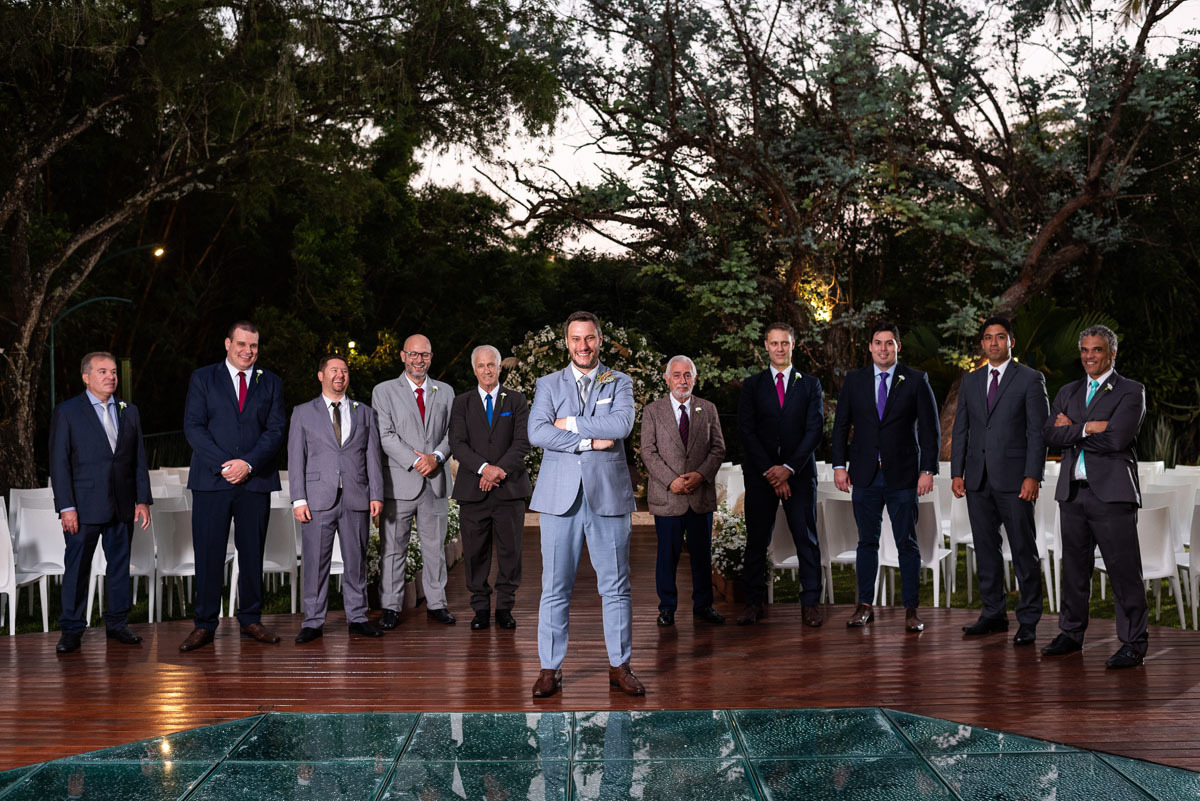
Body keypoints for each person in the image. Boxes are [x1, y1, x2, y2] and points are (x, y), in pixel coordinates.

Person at [528, 311, 642, 697]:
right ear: (566, 342)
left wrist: (570, 424)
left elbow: (621, 425)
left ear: (600, 339)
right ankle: (549, 669)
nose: (583, 346)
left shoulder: (620, 381)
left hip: (607, 496)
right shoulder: (547, 383)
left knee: (615, 587)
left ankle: (619, 666)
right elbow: (537, 431)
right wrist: (590, 439)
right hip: (559, 499)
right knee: (554, 588)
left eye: (590, 338)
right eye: (576, 339)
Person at [1042, 324, 1148, 669]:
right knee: (1073, 569)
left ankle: (1134, 642)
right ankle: (1071, 634)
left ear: (1112, 353)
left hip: (1112, 495)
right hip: (1073, 494)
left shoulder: (1131, 391)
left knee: (1123, 571)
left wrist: (1072, 428)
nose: (1089, 356)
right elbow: (1049, 434)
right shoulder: (1069, 390)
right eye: (1085, 350)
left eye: (1097, 350)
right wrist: (1091, 426)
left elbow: (1117, 440)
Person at [180, 321, 286, 651]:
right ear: (227, 343)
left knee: (252, 552)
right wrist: (226, 465)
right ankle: (205, 624)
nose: (247, 351)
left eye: (253, 346)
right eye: (241, 344)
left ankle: (251, 619)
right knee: (209, 553)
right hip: (212, 481)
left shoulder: (271, 382)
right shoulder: (203, 378)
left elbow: (275, 430)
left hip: (255, 480)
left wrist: (248, 464)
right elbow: (194, 427)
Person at [831, 321, 940, 633]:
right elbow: (841, 426)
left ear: (897, 347)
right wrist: (840, 465)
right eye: (877, 343)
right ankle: (865, 606)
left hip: (904, 476)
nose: (883, 348)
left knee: (907, 542)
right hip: (864, 476)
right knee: (867, 542)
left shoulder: (917, 380)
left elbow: (931, 430)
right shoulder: (854, 380)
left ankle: (911, 610)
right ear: (869, 347)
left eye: (889, 343)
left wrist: (927, 470)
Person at [951, 317, 1049, 645]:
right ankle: (993, 614)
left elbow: (1038, 432)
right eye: (988, 338)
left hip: (1016, 481)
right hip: (977, 480)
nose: (994, 343)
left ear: (1011, 342)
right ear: (982, 343)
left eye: (1001, 337)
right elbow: (961, 429)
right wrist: (957, 473)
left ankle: (1029, 619)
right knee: (986, 550)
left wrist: (1033, 475)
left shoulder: (1030, 380)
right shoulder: (971, 381)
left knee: (1023, 550)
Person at [48, 351, 151, 653]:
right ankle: (71, 629)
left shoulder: (128, 411)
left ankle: (117, 624)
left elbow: (137, 460)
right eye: (103, 371)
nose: (111, 377)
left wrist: (142, 500)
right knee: (78, 568)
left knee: (119, 566)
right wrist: (66, 507)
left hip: (122, 504)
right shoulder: (67, 412)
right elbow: (59, 463)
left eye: (114, 371)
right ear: (86, 377)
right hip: (83, 507)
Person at [288, 354, 385, 643]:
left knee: (356, 561)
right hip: (317, 500)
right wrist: (298, 499)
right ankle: (313, 621)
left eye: (343, 370)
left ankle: (357, 617)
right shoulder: (303, 413)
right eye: (333, 370)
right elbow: (296, 459)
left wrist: (376, 493)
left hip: (356, 497)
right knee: (316, 561)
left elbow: (373, 457)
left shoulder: (364, 412)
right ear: (321, 375)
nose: (339, 375)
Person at [736, 323, 825, 626]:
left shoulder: (810, 384)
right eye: (774, 343)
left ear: (793, 345)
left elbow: (814, 430)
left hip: (798, 475)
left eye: (784, 343)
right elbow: (746, 430)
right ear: (765, 346)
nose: (779, 348)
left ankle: (810, 602)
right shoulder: (753, 385)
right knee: (757, 540)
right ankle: (752, 602)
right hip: (761, 477)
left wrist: (788, 469)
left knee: (807, 538)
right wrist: (770, 472)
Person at [372, 334, 457, 628]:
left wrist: (436, 456)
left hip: (435, 479)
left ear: (431, 357)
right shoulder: (383, 391)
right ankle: (391, 607)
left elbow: (452, 434)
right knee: (393, 549)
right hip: (399, 482)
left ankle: (436, 605)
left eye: (424, 355)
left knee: (435, 547)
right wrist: (415, 460)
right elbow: (385, 435)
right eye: (413, 354)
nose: (419, 360)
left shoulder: (445, 391)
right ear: (402, 356)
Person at [448, 345, 533, 631]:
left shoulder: (517, 401)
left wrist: (498, 471)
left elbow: (522, 442)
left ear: (499, 368)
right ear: (474, 369)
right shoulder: (462, 403)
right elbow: (457, 443)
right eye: (481, 365)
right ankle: (481, 608)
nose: (487, 370)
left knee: (511, 552)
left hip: (509, 490)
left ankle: (505, 607)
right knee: (475, 552)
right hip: (474, 490)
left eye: (492, 365)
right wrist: (485, 469)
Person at [641, 355, 727, 626]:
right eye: (676, 375)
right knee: (668, 555)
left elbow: (718, 448)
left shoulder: (708, 409)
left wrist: (701, 476)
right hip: (668, 497)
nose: (682, 380)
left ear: (695, 378)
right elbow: (648, 451)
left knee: (702, 555)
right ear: (667, 379)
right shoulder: (653, 411)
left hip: (700, 496)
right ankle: (667, 607)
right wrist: (671, 481)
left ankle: (704, 605)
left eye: (687, 375)